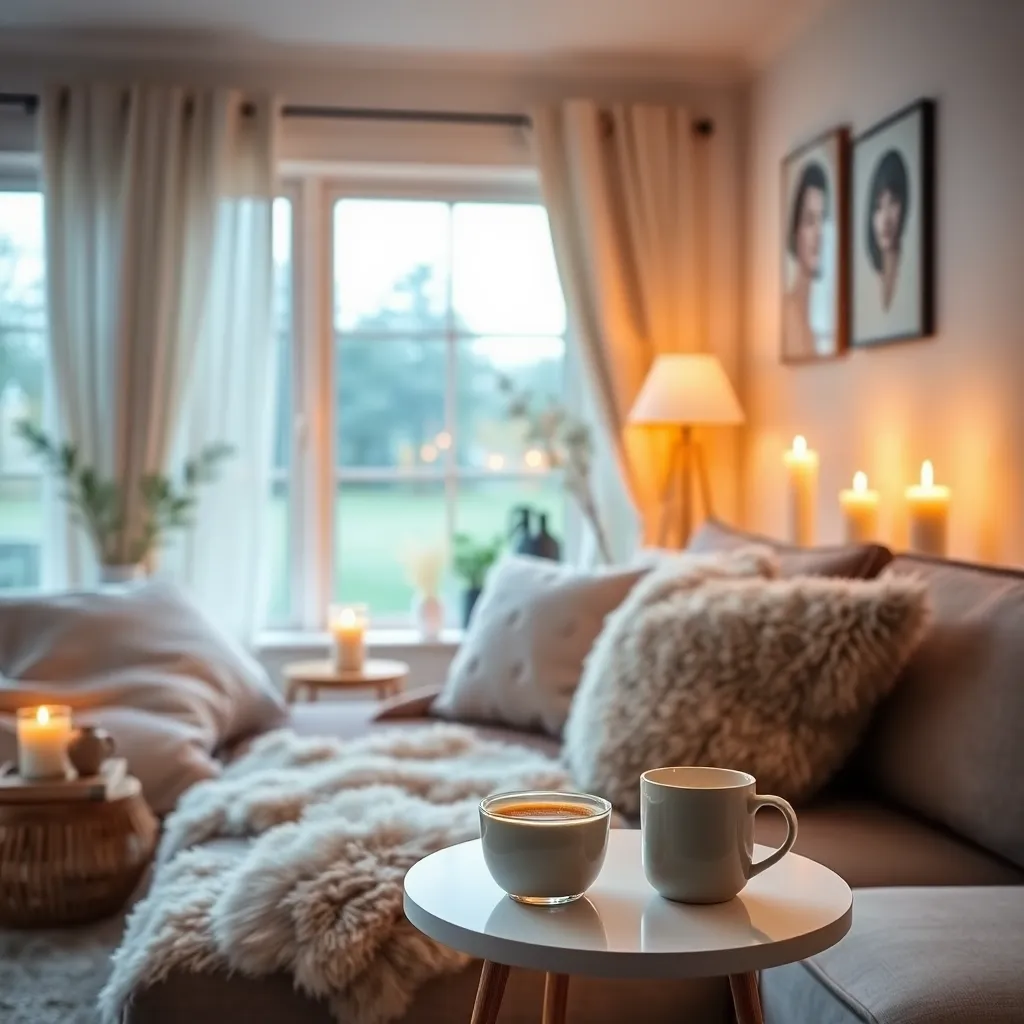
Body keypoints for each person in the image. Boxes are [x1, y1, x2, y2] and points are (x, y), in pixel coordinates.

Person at [783, 161, 830, 359]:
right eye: (810, 221)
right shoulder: (786, 312)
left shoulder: (824, 322)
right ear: (796, 232)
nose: (819, 233)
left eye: (823, 219)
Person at [866, 149, 910, 312]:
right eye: (878, 207)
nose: (886, 219)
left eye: (893, 202)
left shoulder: (909, 279)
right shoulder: (868, 286)